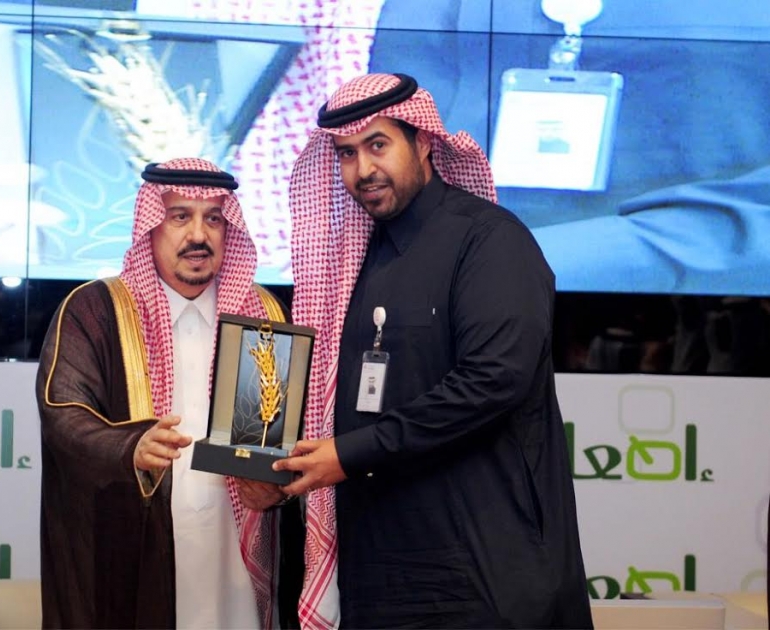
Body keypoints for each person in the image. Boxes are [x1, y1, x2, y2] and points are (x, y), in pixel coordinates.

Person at [274, 73, 593, 628]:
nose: (363, 169)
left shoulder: (489, 240)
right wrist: (265, 467)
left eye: (378, 145)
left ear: (422, 141)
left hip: (478, 570)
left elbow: (492, 380)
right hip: (378, 570)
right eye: (347, 153)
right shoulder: (351, 262)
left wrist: (349, 453)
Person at [36, 157, 294, 629]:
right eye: (180, 217)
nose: (198, 234)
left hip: (232, 554)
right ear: (151, 226)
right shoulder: (94, 310)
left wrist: (272, 488)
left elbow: (268, 446)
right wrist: (129, 446)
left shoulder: (262, 315)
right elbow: (63, 411)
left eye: (213, 219)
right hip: (132, 552)